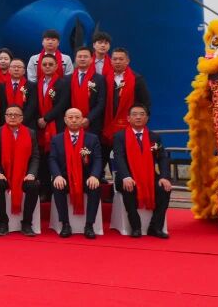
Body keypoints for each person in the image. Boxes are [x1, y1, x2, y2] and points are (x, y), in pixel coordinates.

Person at [111, 105, 171, 238]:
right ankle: (136, 227)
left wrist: (164, 176)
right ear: (128, 118)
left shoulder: (154, 137)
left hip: (149, 176)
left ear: (147, 118)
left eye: (142, 114)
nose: (138, 117)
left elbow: (163, 158)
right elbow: (118, 157)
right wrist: (125, 176)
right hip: (127, 176)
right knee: (129, 187)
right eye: (134, 114)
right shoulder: (120, 136)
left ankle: (155, 227)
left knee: (164, 188)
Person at [0, 105, 40, 236]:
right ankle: (2, 223)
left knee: (33, 185)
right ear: (5, 117)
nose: (12, 117)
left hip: (24, 175)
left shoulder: (30, 133)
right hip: (2, 175)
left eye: (16, 115)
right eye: (9, 114)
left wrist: (31, 173)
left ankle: (26, 223)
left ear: (21, 118)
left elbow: (35, 156)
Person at [49, 107, 103, 239]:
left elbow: (98, 159)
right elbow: (52, 159)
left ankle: (89, 225)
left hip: (86, 177)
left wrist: (94, 175)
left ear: (82, 120)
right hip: (65, 177)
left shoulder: (92, 139)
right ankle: (65, 224)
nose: (74, 120)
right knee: (57, 186)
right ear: (65, 120)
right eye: (70, 117)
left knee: (95, 187)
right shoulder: (57, 139)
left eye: (77, 117)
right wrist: (57, 175)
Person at [102, 48, 151, 149]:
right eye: (115, 59)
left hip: (129, 126)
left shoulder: (137, 79)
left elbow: (145, 103)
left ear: (127, 61)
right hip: (107, 126)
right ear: (111, 61)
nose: (117, 62)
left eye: (121, 59)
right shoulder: (104, 78)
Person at [62, 47, 105, 137]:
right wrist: (71, 118)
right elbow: (64, 102)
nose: (82, 59)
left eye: (85, 57)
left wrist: (88, 119)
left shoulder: (99, 79)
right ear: (75, 59)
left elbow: (101, 102)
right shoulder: (67, 79)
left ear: (91, 59)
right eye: (79, 56)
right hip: (71, 122)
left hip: (92, 123)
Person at [30, 54, 63, 153]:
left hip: (56, 123)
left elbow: (62, 104)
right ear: (40, 66)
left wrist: (46, 119)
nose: (47, 66)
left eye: (50, 64)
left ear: (56, 66)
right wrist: (39, 119)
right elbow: (35, 105)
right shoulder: (37, 84)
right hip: (40, 124)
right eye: (44, 64)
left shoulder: (63, 83)